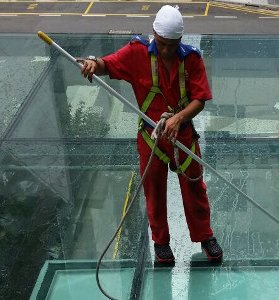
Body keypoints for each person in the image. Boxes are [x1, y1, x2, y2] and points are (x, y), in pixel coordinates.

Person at [77, 5, 223, 262]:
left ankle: (204, 235)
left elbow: (200, 99)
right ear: (154, 34)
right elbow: (106, 65)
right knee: (153, 189)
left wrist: (178, 118)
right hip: (151, 137)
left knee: (194, 188)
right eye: (161, 43)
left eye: (171, 45)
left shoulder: (191, 59)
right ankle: (161, 242)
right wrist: (92, 62)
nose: (165, 50)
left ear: (180, 40)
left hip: (183, 136)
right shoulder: (136, 53)